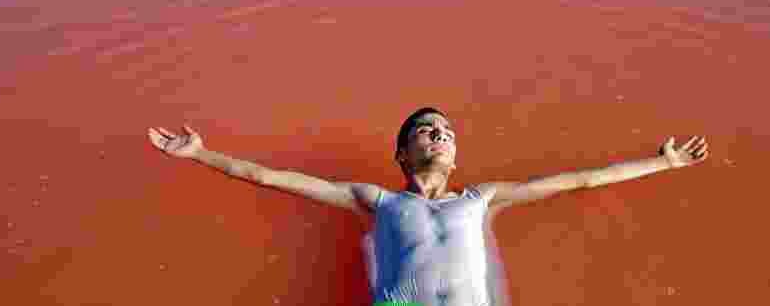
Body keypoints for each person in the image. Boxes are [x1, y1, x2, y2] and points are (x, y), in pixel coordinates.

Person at [148, 107, 708, 306]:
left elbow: (581, 181)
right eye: (424, 131)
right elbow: (271, 178)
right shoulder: (374, 199)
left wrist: (662, 164)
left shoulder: (482, 198)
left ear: (456, 154)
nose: (437, 135)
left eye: (445, 131)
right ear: (401, 152)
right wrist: (201, 154)